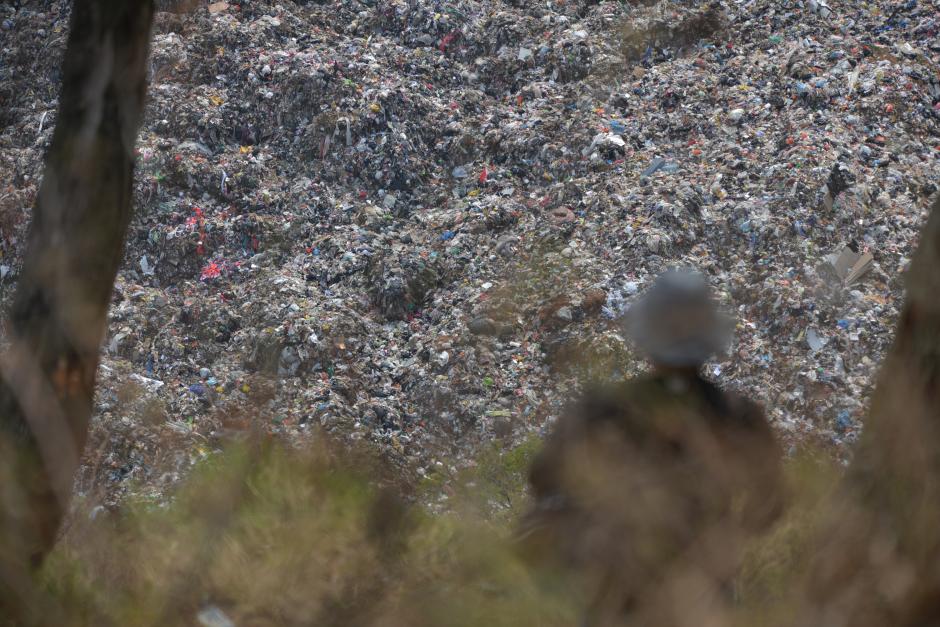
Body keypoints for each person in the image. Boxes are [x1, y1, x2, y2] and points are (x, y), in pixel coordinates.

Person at [518, 269, 785, 627]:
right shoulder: (739, 417)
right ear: (707, 338)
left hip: (619, 598)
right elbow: (771, 502)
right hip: (705, 600)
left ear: (646, 335)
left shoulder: (603, 410)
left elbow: (544, 478)